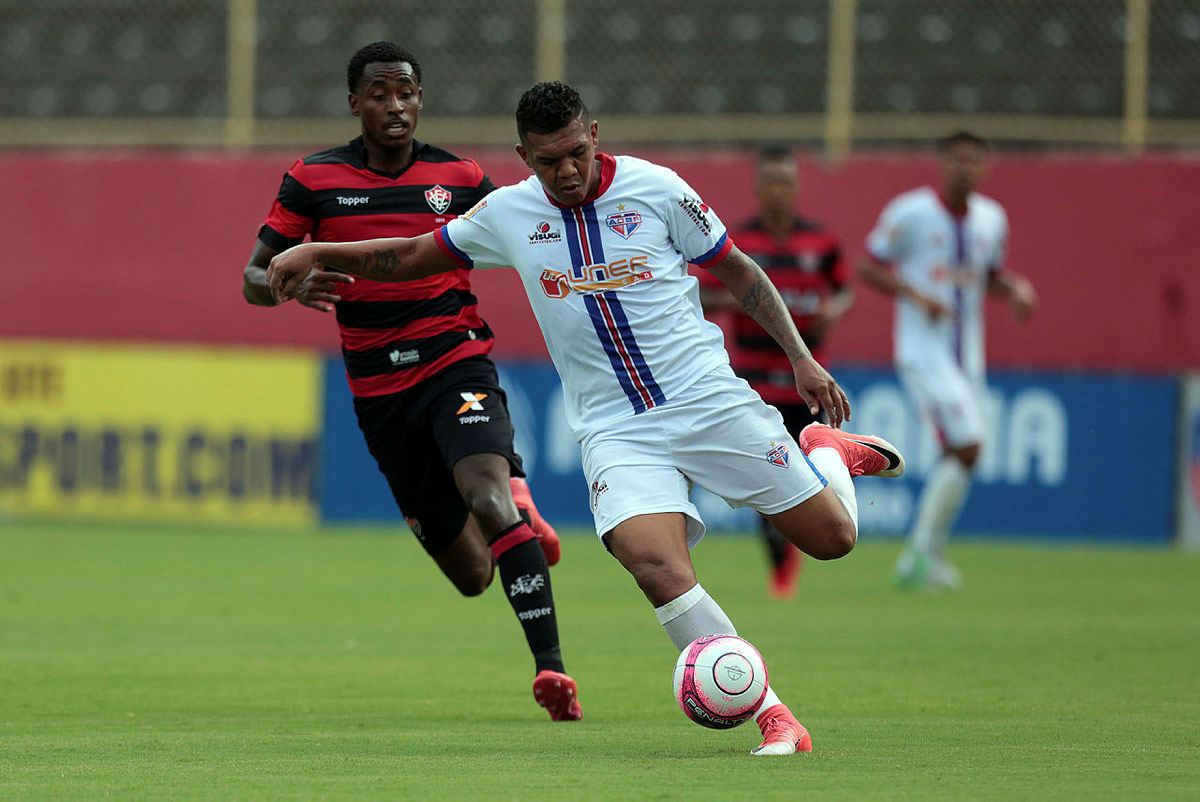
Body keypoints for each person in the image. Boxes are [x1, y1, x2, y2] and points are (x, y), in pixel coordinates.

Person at [265, 81, 906, 756]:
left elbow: (740, 272)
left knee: (833, 539)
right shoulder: (507, 213)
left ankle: (829, 451)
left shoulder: (658, 190)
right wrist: (321, 251)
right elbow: (415, 255)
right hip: (615, 430)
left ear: (594, 135)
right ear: (524, 156)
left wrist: (801, 359)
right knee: (652, 562)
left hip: (709, 402)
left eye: (575, 153)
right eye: (547, 162)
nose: (565, 172)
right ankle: (773, 714)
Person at [240, 43, 581, 721]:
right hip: (379, 394)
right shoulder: (313, 179)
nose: (395, 106)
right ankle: (513, 500)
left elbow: (531, 231)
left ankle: (553, 672)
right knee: (473, 575)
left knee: (488, 499)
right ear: (355, 103)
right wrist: (287, 283)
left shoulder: (459, 176)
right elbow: (252, 278)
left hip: (454, 359)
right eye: (379, 94)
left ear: (420, 98)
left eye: (407, 93)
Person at [859, 131, 1036, 591]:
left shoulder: (991, 219)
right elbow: (869, 265)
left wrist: (1015, 289)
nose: (965, 168)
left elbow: (986, 277)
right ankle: (920, 553)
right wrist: (919, 296)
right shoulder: (911, 212)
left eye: (974, 160)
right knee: (970, 446)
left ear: (984, 166)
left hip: (967, 358)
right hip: (923, 354)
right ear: (942, 162)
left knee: (961, 455)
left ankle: (924, 556)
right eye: (957, 159)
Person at [698, 145, 853, 598]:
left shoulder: (820, 242)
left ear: (797, 187)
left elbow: (845, 290)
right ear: (759, 188)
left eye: (787, 182)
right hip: (757, 381)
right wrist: (740, 299)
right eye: (771, 183)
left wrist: (833, 310)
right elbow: (702, 294)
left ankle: (805, 554)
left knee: (813, 475)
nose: (779, 192)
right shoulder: (737, 243)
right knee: (770, 479)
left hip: (808, 383)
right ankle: (782, 572)